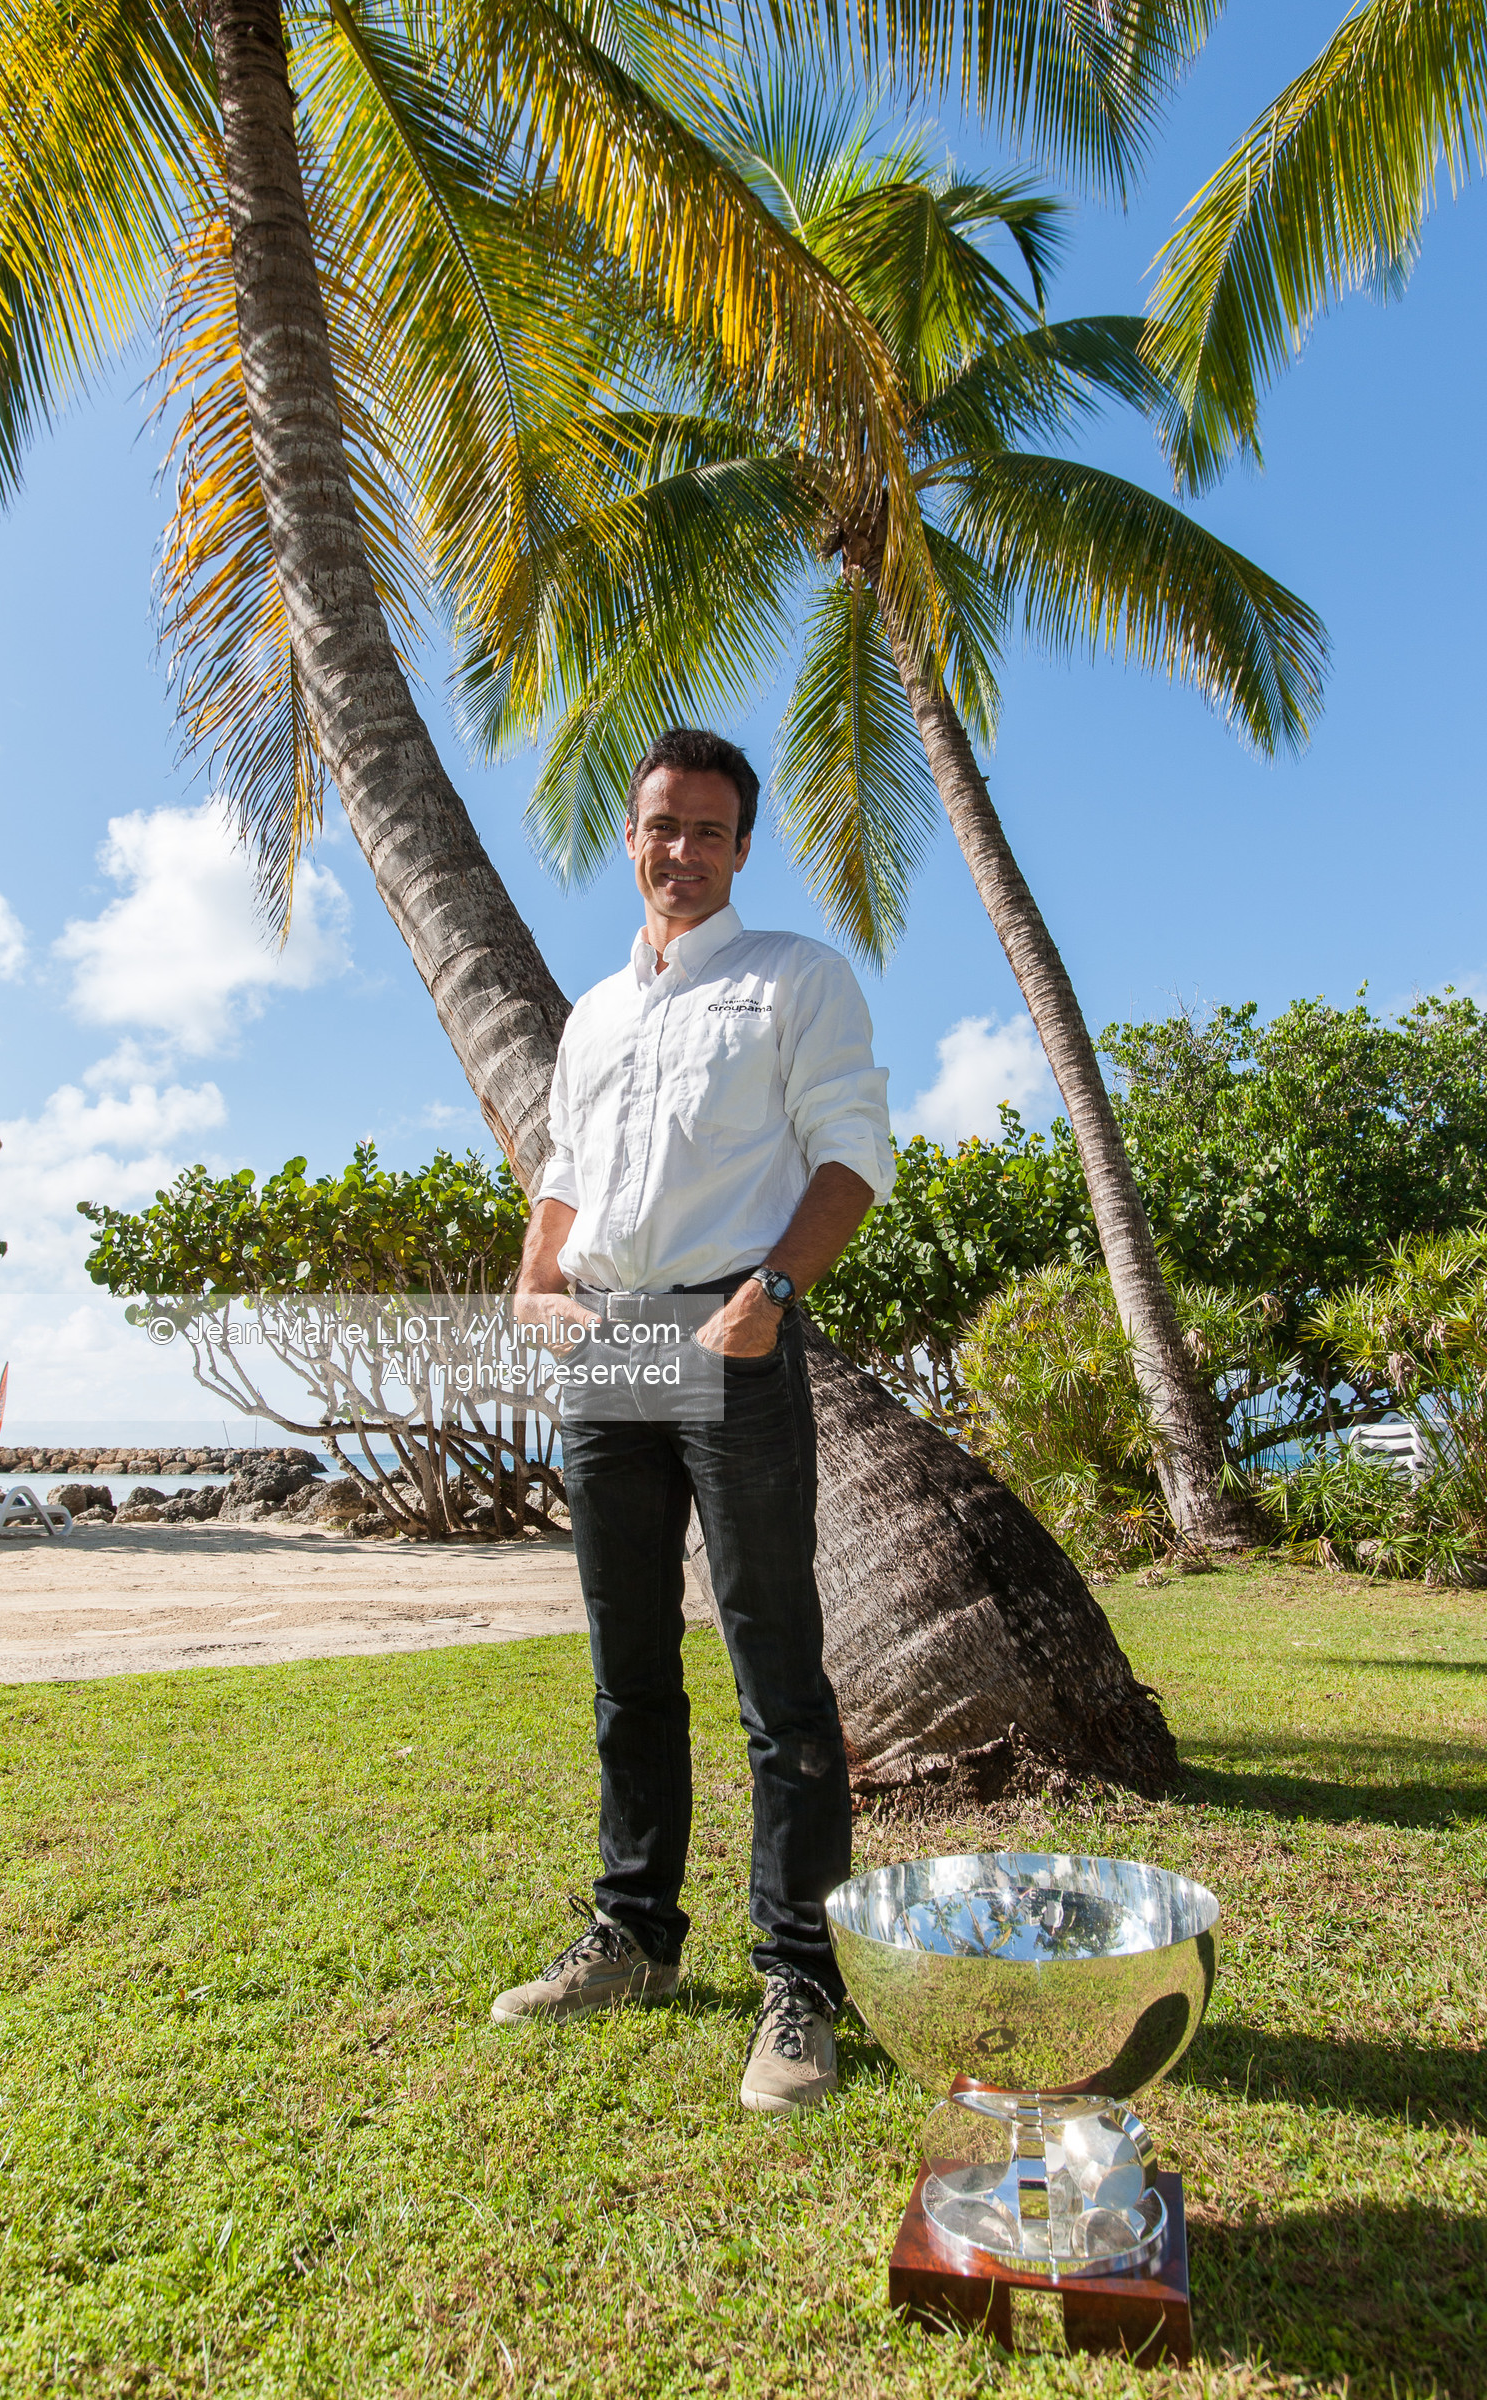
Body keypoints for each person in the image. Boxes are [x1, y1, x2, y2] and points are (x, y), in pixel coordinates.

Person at [492, 726, 895, 2115]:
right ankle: (635, 1934)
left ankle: (802, 1981)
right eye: (664, 825)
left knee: (779, 1674)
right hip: (611, 1343)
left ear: (742, 845)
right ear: (632, 831)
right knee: (627, 1663)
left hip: (732, 1332)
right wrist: (537, 1277)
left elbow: (850, 1153)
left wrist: (771, 1292)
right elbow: (563, 1168)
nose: (684, 851)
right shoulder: (597, 1014)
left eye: (711, 831)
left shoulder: (798, 980)